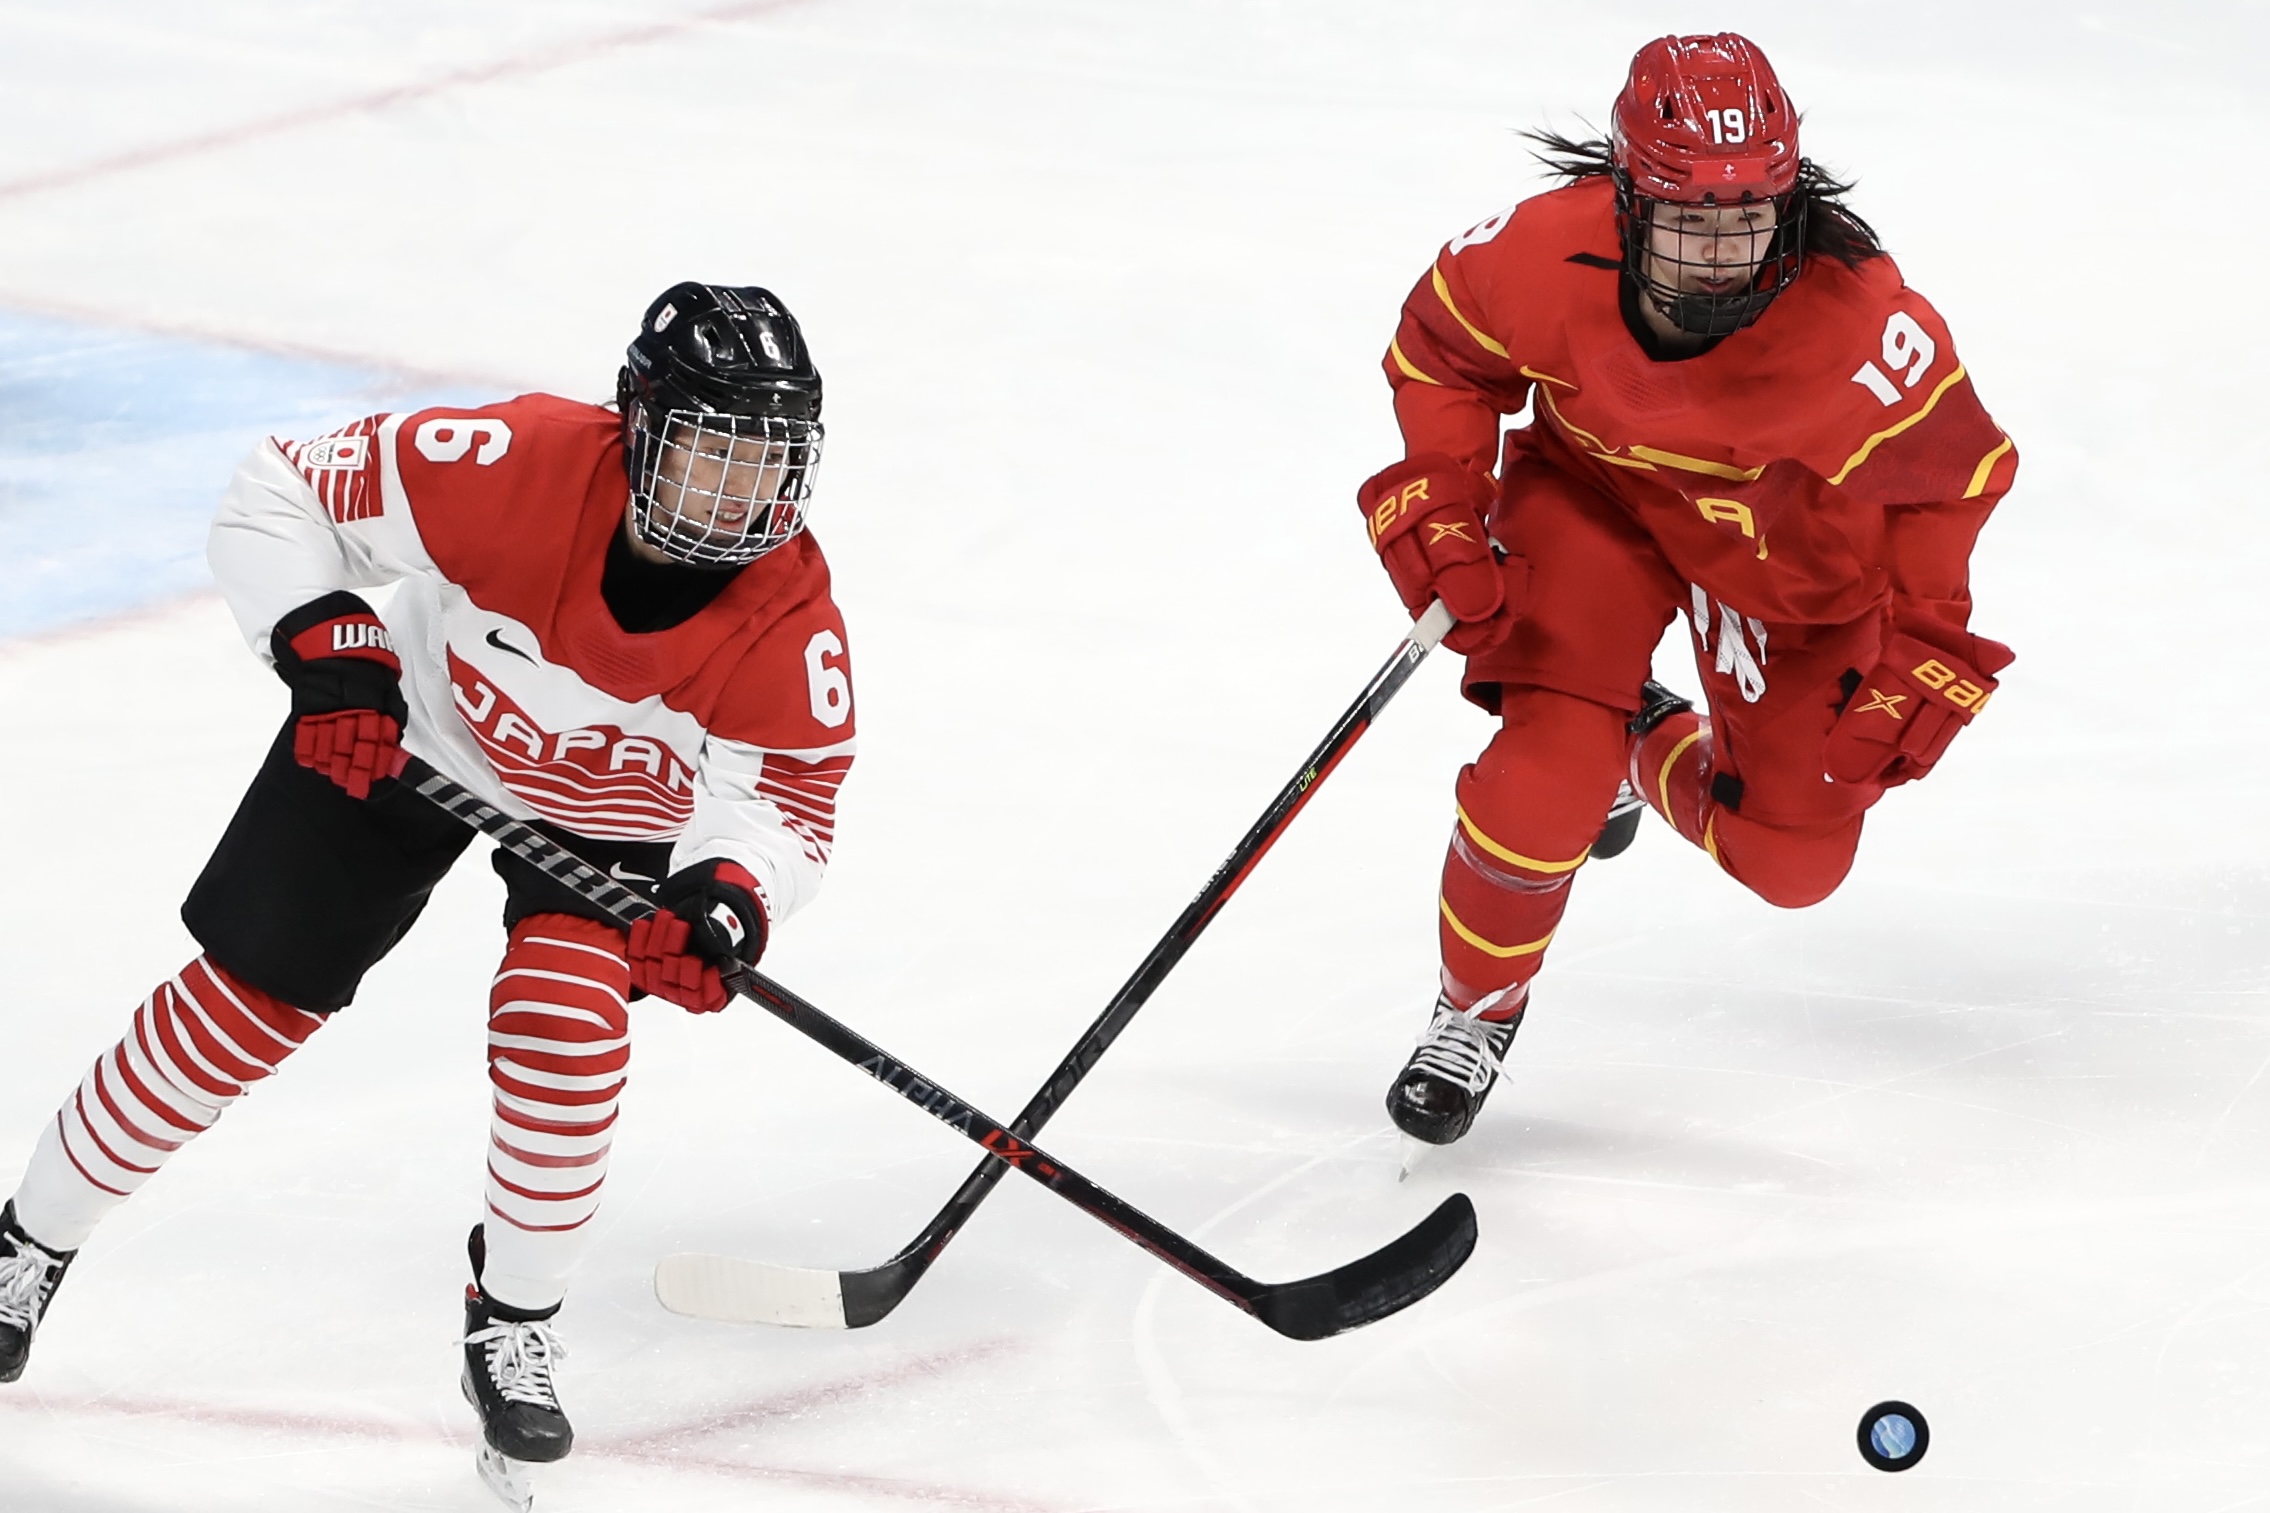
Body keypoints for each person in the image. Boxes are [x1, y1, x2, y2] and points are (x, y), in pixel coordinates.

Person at [0, 282, 857, 1496]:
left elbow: (789, 807)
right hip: (410, 737)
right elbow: (282, 486)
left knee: (565, 1027)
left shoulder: (787, 615)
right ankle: (27, 1236)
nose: (739, 494)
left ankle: (511, 1319)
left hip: (613, 821)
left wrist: (726, 896)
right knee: (243, 1004)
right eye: (712, 450)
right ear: (641, 424)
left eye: (764, 461)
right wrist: (327, 645)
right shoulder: (515, 464)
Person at [1358, 34, 2015, 1147]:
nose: (1717, 255)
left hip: (1789, 556)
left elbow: (1948, 479)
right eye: (1686, 223)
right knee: (1539, 785)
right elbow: (1442, 357)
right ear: (1620, 198)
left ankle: (1636, 737)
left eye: (1745, 221)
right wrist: (1437, 493)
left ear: (1787, 202)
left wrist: (1928, 638)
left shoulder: (1864, 323)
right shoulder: (1530, 255)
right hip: (1600, 503)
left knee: (1792, 862)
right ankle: (1474, 1008)